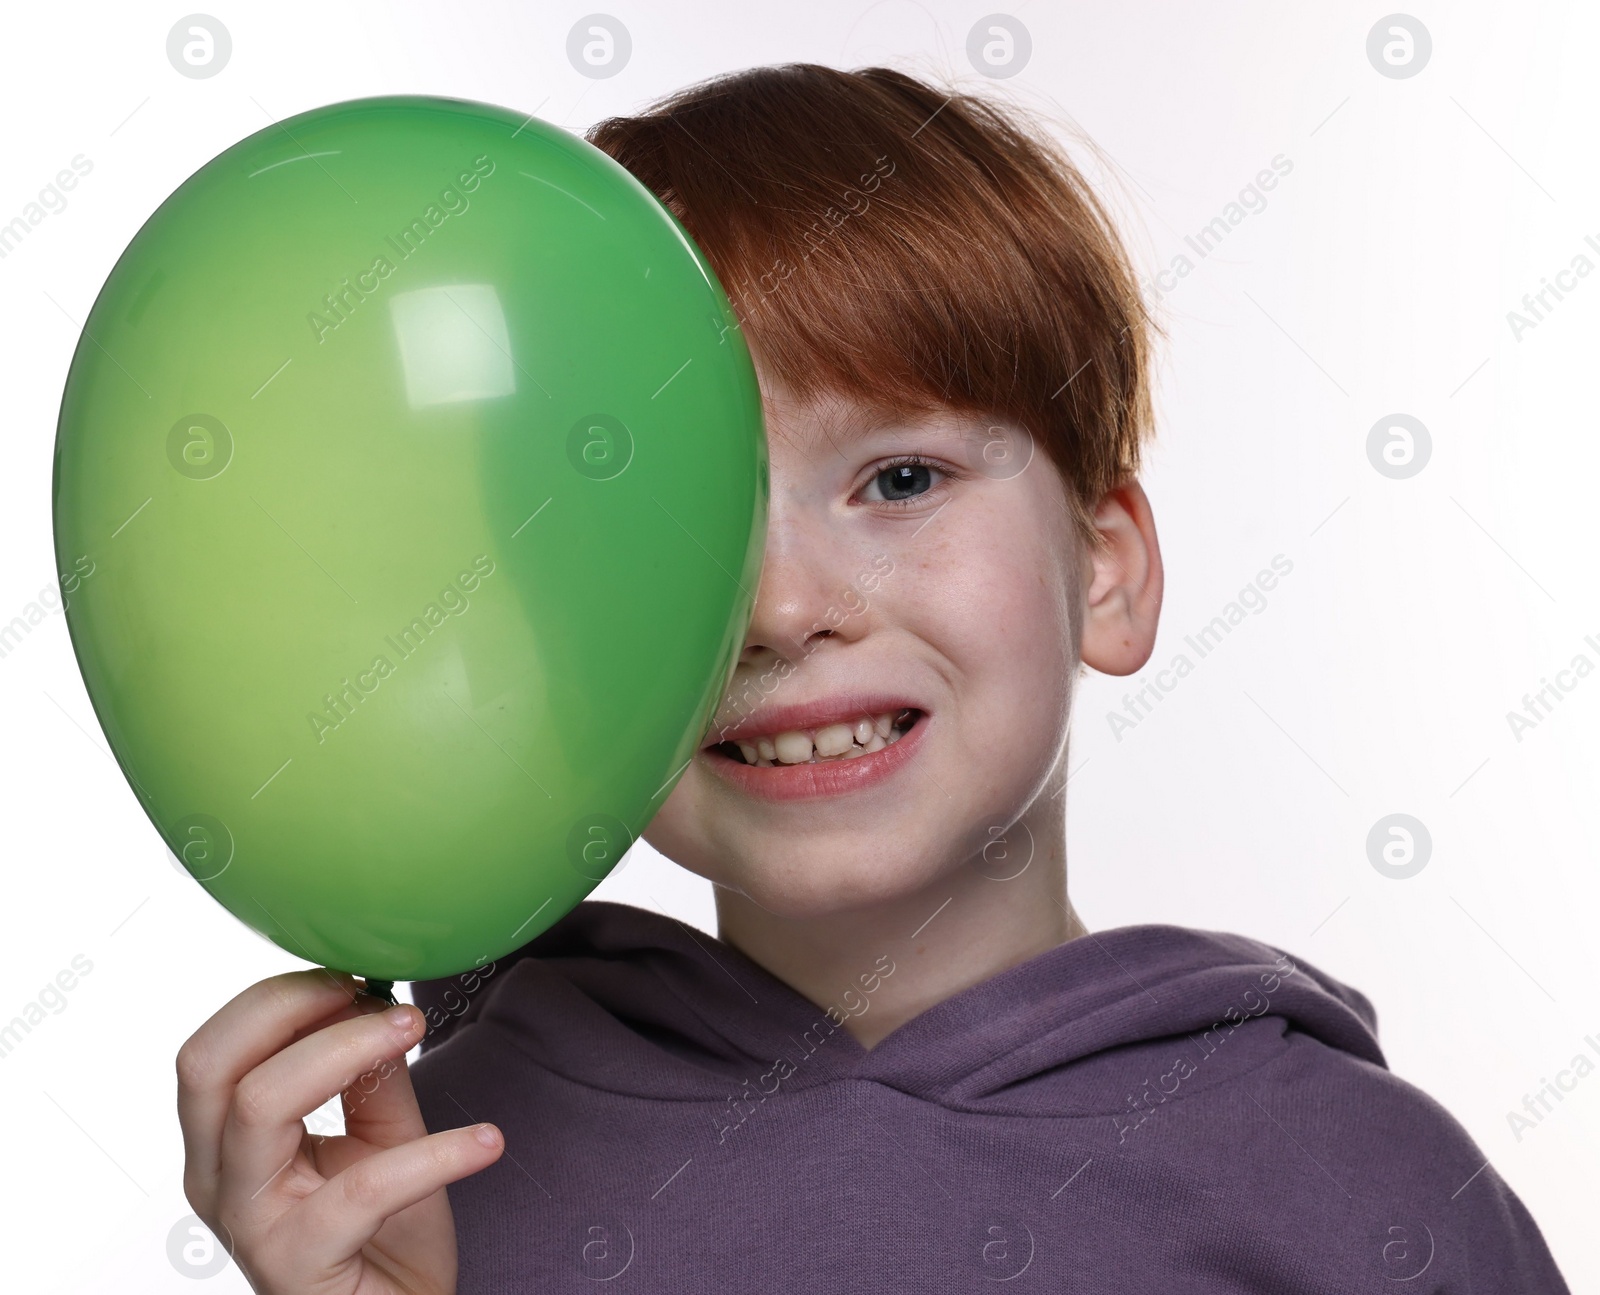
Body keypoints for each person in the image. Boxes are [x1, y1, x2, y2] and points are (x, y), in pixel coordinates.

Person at [175, 63, 1571, 1292]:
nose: (780, 608)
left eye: (900, 478)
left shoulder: (1362, 1192)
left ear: (1106, 568)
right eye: (662, 513)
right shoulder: (414, 1179)